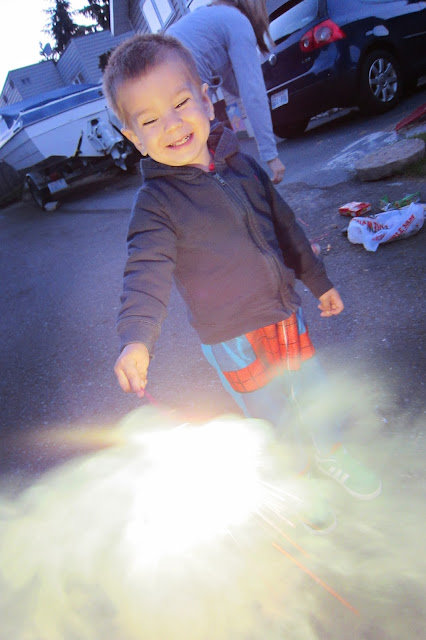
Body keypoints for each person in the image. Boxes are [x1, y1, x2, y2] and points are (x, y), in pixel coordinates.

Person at [103, 33, 381, 533]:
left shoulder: (243, 164)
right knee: (271, 418)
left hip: (284, 312)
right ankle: (300, 482)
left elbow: (285, 225)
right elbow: (144, 270)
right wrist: (136, 339)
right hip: (233, 339)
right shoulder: (156, 205)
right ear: (133, 137)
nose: (172, 124)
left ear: (205, 98)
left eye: (180, 103)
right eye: (149, 120)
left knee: (313, 394)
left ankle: (332, 452)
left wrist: (317, 281)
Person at [167, 0, 286, 184]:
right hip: (182, 87)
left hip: (161, 88)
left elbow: (236, 87)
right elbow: (252, 93)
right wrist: (271, 155)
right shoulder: (237, 21)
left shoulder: (210, 18)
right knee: (224, 160)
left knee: (191, 168)